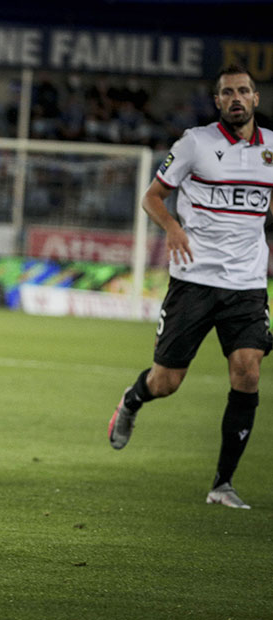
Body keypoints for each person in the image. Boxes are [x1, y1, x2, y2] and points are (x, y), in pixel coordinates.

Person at [108, 65, 272, 509]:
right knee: (167, 381)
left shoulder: (271, 150)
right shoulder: (195, 144)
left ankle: (223, 484)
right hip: (194, 281)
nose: (236, 97)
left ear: (255, 99)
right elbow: (152, 197)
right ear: (217, 102)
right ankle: (132, 400)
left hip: (247, 284)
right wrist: (173, 227)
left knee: (248, 371)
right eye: (227, 92)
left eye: (243, 91)